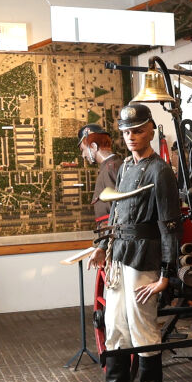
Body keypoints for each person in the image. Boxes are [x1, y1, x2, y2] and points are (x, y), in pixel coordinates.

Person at [77, 103, 182, 382]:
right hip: (120, 253)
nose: (131, 137)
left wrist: (166, 275)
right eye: (126, 133)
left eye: (137, 131)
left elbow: (170, 226)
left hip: (145, 256)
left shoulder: (160, 171)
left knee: (141, 323)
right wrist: (102, 246)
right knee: (114, 322)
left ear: (150, 131)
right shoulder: (124, 168)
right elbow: (116, 214)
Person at [79, 123, 120, 349]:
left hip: (117, 243)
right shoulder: (110, 167)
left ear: (93, 146)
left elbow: (116, 211)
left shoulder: (112, 168)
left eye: (84, 150)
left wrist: (103, 245)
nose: (84, 156)